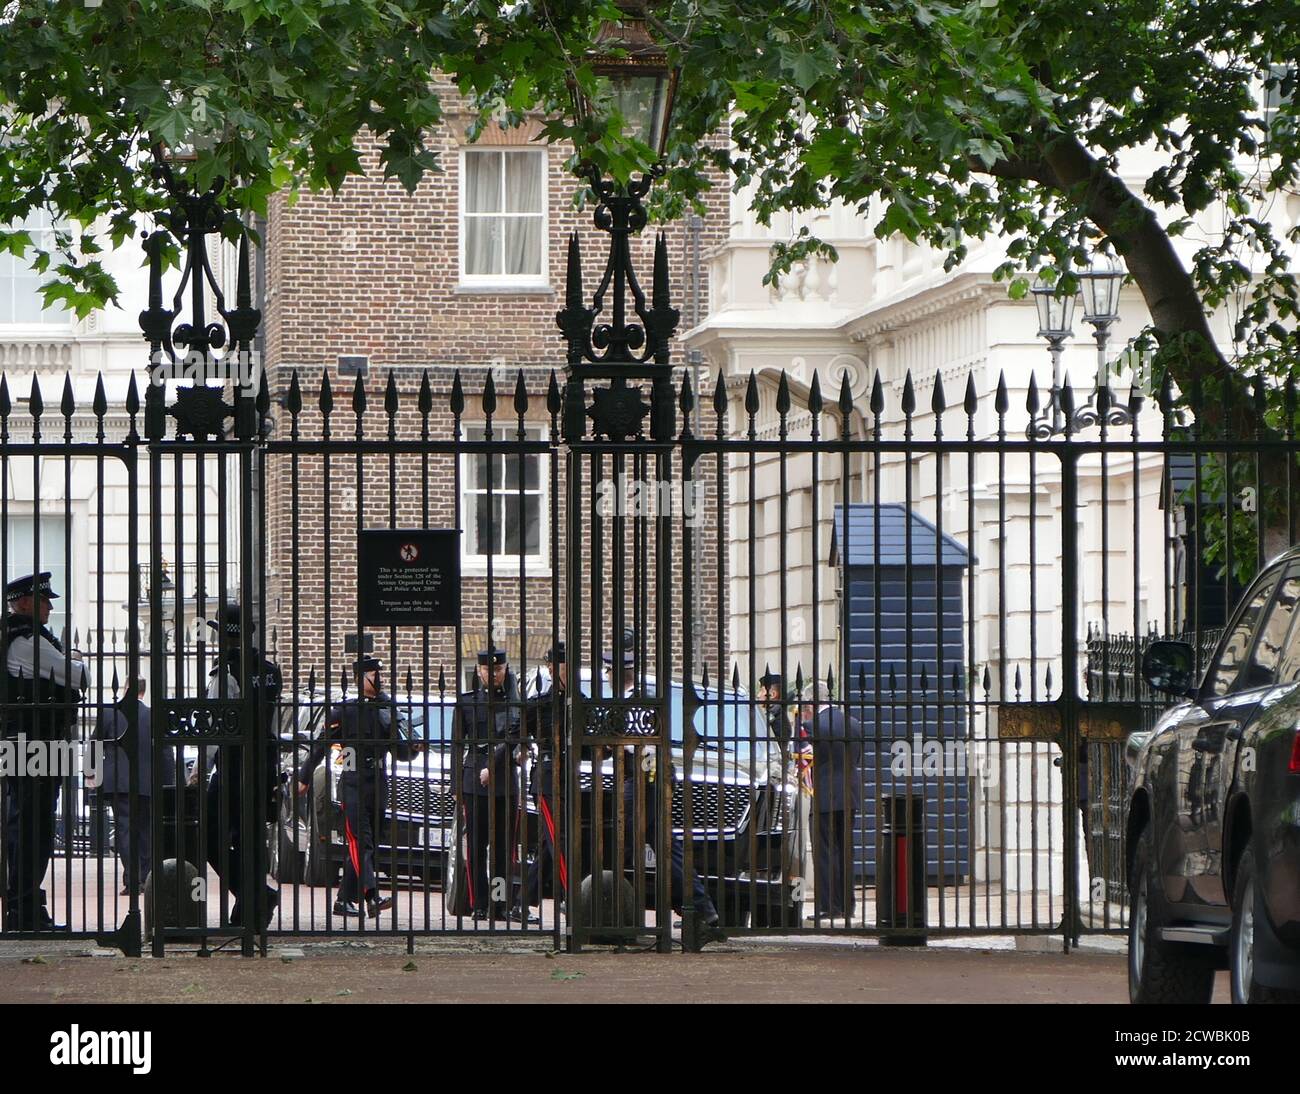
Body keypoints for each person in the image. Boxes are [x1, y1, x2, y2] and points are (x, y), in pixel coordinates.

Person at [607, 630, 720, 932]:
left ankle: (622, 912)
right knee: (665, 847)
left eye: (609, 670)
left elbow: (638, 744)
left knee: (627, 844)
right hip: (650, 775)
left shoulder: (637, 699)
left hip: (646, 776)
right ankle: (697, 907)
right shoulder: (638, 696)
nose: (606, 675)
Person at [296, 656, 419, 918]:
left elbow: (401, 753)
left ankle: (343, 900)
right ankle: (371, 897)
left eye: (379, 673)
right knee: (359, 841)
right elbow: (321, 744)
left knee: (369, 842)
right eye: (372, 674)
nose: (378, 678)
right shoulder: (344, 711)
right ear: (358, 678)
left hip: (378, 781)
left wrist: (414, 749)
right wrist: (304, 777)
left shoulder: (388, 709)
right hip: (353, 781)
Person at [1, 572, 87, 931]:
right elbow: (80, 677)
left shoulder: (24, 639)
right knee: (33, 826)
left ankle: (27, 907)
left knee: (30, 824)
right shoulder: (27, 642)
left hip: (30, 742)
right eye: (42, 600)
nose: (50, 606)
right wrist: (76, 658)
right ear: (23, 603)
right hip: (35, 744)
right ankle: (25, 910)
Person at [203, 602, 282, 931]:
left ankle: (256, 895)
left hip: (234, 768)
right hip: (263, 767)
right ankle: (250, 906)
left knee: (209, 837)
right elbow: (274, 725)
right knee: (251, 839)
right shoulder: (270, 672)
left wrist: (199, 768)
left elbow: (216, 725)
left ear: (223, 636)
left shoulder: (226, 673)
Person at [455, 647, 523, 923]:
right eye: (487, 669)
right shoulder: (467, 702)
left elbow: (515, 738)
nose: (493, 673)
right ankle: (479, 902)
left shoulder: (514, 702)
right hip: (474, 781)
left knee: (504, 848)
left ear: (505, 670)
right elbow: (457, 747)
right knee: (476, 846)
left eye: (498, 669)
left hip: (505, 781)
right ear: (479, 671)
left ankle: (501, 901)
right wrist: (457, 788)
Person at [94, 678, 173, 896]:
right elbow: (165, 752)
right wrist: (169, 783)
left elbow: (94, 743)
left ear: (125, 688)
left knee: (125, 830)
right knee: (146, 830)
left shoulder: (109, 713)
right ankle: (145, 877)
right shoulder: (153, 715)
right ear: (143, 691)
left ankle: (132, 878)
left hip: (118, 782)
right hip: (147, 782)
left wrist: (91, 774)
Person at [515, 642, 570, 924]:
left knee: (549, 848)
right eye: (556, 665)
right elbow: (518, 733)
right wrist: (519, 749)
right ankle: (571, 897)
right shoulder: (541, 704)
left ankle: (520, 902)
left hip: (568, 778)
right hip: (547, 780)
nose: (558, 670)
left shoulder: (579, 700)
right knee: (558, 839)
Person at [801, 681, 863, 923]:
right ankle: (848, 905)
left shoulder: (811, 726)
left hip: (825, 795)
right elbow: (855, 757)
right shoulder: (853, 724)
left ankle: (829, 906)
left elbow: (804, 758)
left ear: (811, 702)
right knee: (846, 851)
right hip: (849, 793)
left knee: (825, 852)